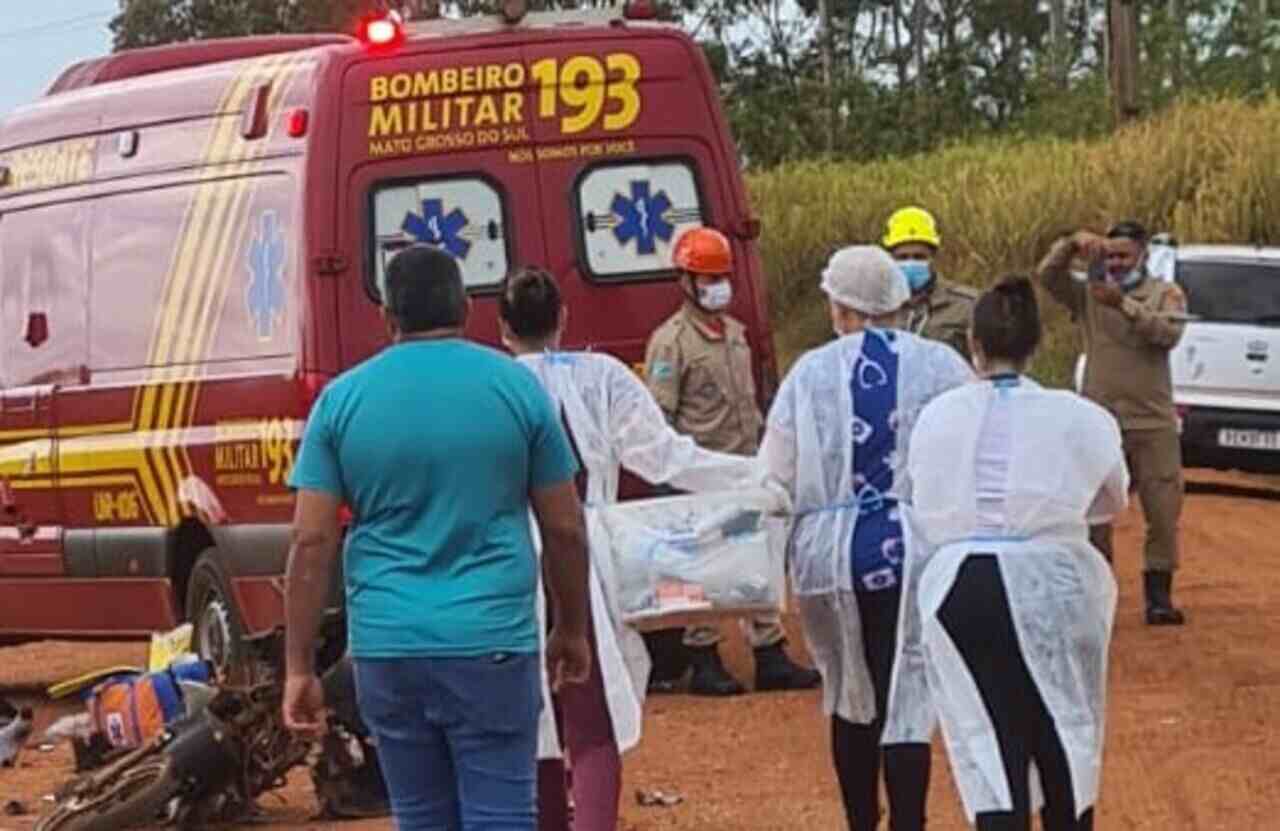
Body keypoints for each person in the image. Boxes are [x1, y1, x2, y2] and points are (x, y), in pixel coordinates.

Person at [282, 245, 592, 831]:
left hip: (388, 648)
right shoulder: (518, 392)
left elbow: (310, 541)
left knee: (420, 816)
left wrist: (299, 666)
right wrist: (570, 628)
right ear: (468, 307)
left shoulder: (341, 402)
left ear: (387, 316)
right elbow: (564, 527)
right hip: (492, 643)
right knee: (501, 814)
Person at [497, 266, 767, 831]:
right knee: (592, 725)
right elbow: (666, 458)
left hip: (509, 562)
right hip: (587, 558)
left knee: (534, 726)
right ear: (563, 319)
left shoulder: (492, 384)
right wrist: (755, 476)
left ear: (502, 328)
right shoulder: (604, 377)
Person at [883, 275, 1129, 831]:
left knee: (990, 740)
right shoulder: (1079, 415)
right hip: (1056, 582)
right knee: (1065, 726)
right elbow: (1112, 500)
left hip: (962, 588)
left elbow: (921, 496)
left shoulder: (939, 415)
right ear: (1037, 345)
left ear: (974, 344)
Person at [758, 246, 973, 831]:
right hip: (915, 551)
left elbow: (775, 472)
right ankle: (909, 822)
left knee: (849, 692)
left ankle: (860, 822)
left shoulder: (810, 371)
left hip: (832, 559)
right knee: (906, 692)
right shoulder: (943, 366)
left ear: (844, 307)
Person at [644, 225, 819, 696]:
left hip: (747, 466)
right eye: (706, 278)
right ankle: (703, 656)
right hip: (702, 475)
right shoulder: (671, 342)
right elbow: (659, 416)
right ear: (685, 281)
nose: (716, 286)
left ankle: (770, 653)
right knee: (705, 569)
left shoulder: (737, 334)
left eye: (721, 276)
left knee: (756, 560)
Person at [1036, 220, 1187, 625]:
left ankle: (1158, 597)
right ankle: (1095, 588)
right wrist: (1071, 244)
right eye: (1110, 254)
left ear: (1143, 255)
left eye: (1123, 255)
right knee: (1095, 512)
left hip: (1152, 421)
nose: (1116, 263)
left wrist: (1122, 303)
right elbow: (1047, 277)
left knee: (1163, 510)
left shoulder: (1164, 293)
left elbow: (1167, 333)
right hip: (1100, 419)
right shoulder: (1088, 292)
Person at [882, 205, 979, 360]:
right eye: (902, 257)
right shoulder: (877, 307)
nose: (911, 262)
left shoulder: (966, 305)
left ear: (933, 257)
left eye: (919, 257)